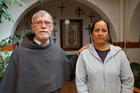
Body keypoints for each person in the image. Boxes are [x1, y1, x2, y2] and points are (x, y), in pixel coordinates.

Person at [0, 10, 88, 93]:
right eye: (39, 22)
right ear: (33, 27)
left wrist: (78, 54)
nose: (43, 26)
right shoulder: (19, 54)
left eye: (47, 22)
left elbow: (67, 72)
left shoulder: (58, 51)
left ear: (52, 27)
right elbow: (8, 85)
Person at [76, 19, 134, 93]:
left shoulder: (120, 54)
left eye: (104, 30)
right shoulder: (84, 55)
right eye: (97, 30)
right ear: (92, 35)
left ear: (108, 35)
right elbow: (81, 82)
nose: (100, 33)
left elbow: (128, 81)